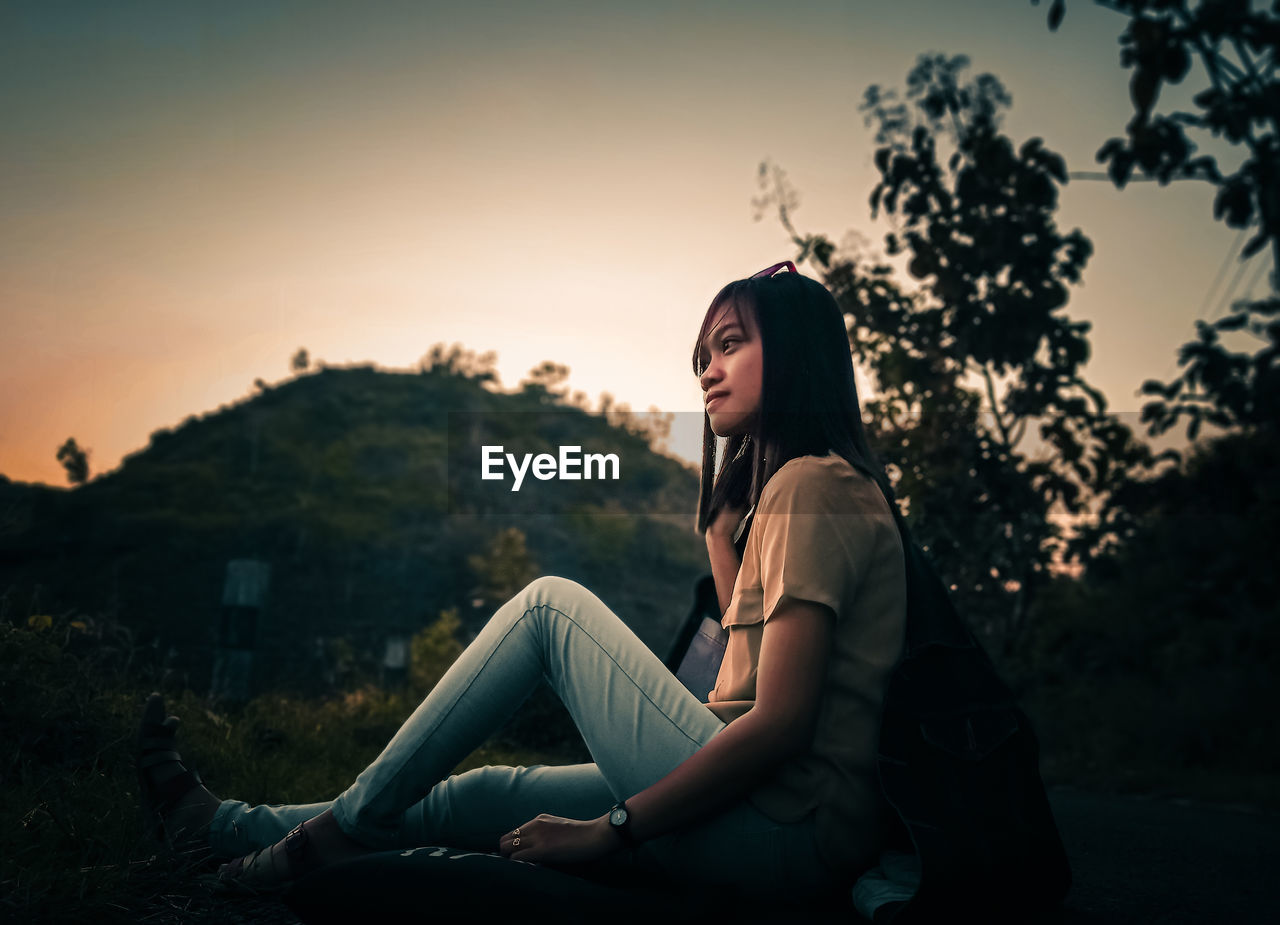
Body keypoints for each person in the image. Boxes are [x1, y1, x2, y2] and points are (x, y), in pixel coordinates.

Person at [135, 260, 909, 906]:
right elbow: (736, 690)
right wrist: (719, 534)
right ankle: (223, 829)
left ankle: (327, 839)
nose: (707, 371)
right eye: (701, 354)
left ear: (800, 351)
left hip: (782, 833)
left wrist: (612, 826)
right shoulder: (798, 490)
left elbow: (778, 724)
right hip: (773, 818)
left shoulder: (817, 483)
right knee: (476, 794)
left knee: (549, 608)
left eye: (730, 345)